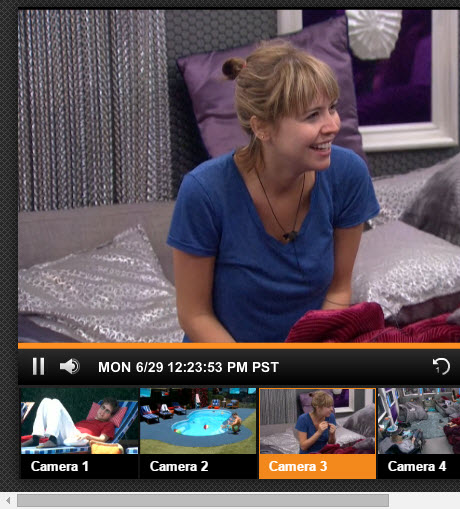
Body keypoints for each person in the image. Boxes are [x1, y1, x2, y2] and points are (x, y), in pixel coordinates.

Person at [167, 41, 380, 343]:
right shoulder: (204, 191)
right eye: (312, 115)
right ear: (262, 128)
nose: (333, 125)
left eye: (331, 108)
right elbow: (194, 315)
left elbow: (338, 290)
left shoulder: (348, 174)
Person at [21, 397, 117, 448]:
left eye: (107, 411)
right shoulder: (86, 421)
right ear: (99, 407)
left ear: (111, 415)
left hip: (80, 439)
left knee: (56, 402)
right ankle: (35, 438)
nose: (103, 412)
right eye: (103, 407)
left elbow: (102, 439)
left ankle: (53, 440)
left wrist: (87, 436)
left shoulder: (108, 424)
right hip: (67, 437)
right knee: (45, 400)